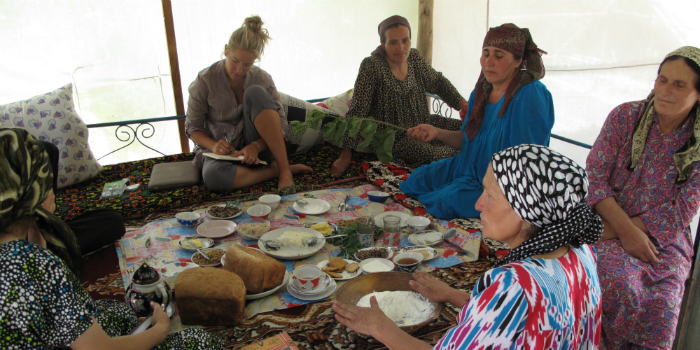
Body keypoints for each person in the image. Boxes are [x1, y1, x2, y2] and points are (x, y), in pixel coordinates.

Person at [333, 144, 603, 349]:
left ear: (526, 212)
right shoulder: (582, 251)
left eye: (490, 196)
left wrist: (380, 326)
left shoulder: (515, 284)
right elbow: (528, 319)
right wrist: (454, 295)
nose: (478, 205)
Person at [0, 128, 223, 350]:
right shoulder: (38, 264)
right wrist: (158, 331)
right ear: (33, 190)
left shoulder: (29, 252)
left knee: (118, 312)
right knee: (202, 341)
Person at [586, 46, 700, 349]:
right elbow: (596, 179)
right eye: (662, 80)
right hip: (606, 222)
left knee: (664, 303)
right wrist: (623, 232)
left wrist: (633, 234)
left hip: (664, 237)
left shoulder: (698, 144)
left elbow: (680, 211)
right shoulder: (625, 117)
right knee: (616, 282)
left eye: (679, 84)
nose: (666, 90)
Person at [399, 23, 554, 220]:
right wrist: (437, 133)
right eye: (485, 53)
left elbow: (526, 162)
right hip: (465, 168)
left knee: (448, 200)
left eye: (499, 56)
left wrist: (490, 190)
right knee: (417, 180)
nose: (488, 62)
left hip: (502, 187)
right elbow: (468, 139)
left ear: (518, 61)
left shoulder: (530, 95)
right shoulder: (481, 91)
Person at [186, 15, 311, 191]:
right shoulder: (205, 80)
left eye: (247, 64)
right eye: (235, 61)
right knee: (213, 177)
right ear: (226, 50)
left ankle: (284, 172)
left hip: (260, 149)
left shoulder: (262, 78)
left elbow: (281, 126)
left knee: (255, 92)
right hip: (222, 154)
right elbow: (192, 128)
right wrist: (214, 145)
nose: (239, 70)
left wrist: (255, 145)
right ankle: (273, 172)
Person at [331, 15, 468, 174]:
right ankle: (468, 159)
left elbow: (438, 82)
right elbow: (357, 111)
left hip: (424, 124)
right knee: (431, 154)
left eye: (405, 40)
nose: (401, 47)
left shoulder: (414, 58)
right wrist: (345, 155)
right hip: (394, 139)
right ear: (383, 44)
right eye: (393, 42)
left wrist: (463, 105)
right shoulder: (371, 66)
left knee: (469, 130)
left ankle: (471, 154)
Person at [41, 140, 125, 255]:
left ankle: (48, 217)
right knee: (113, 222)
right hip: (44, 241)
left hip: (44, 225)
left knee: (47, 149)